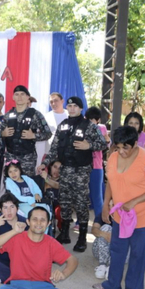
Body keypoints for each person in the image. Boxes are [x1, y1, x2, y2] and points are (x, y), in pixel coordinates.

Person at [92, 126, 145, 289]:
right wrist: (106, 205)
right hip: (119, 215)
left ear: (135, 143)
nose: (121, 151)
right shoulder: (113, 156)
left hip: (142, 216)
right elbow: (110, 183)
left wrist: (134, 202)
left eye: (126, 148)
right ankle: (112, 283)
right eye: (118, 147)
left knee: (138, 254)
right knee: (117, 250)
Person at [41, 96, 107, 252]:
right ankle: (64, 233)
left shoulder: (88, 126)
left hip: (81, 171)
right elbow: (55, 148)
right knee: (64, 202)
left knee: (81, 203)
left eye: (75, 106)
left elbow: (103, 143)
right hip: (65, 169)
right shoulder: (63, 125)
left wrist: (88, 145)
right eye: (69, 105)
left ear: (80, 108)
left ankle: (82, 237)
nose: (71, 108)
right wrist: (44, 163)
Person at [0, 206, 78, 289]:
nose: (38, 223)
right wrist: (14, 231)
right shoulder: (16, 238)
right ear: (28, 221)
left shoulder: (51, 242)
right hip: (18, 286)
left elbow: (73, 260)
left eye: (43, 220)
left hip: (44, 287)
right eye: (34, 219)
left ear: (48, 223)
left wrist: (63, 274)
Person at [1, 85, 52, 177]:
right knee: (10, 187)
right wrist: (2, 133)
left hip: (28, 159)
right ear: (13, 97)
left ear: (28, 97)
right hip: (10, 157)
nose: (19, 97)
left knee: (27, 187)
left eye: (22, 94)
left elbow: (48, 133)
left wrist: (34, 136)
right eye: (17, 94)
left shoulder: (36, 114)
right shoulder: (8, 115)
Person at [0, 192, 28, 284]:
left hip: (17, 258)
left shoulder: (24, 222)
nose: (9, 211)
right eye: (5, 208)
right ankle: (17, 279)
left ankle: (3, 277)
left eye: (12, 207)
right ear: (0, 210)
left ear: (17, 208)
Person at [85, 106, 109, 225]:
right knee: (83, 196)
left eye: (93, 119)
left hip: (97, 166)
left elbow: (107, 144)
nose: (91, 122)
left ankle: (100, 221)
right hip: (83, 166)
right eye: (89, 119)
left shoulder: (102, 128)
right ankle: (81, 221)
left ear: (98, 120)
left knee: (97, 196)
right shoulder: (82, 128)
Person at [36, 92, 69, 167]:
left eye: (56, 100)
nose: (53, 103)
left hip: (66, 155)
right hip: (49, 155)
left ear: (62, 101)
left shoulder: (69, 115)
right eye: (51, 102)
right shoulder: (45, 117)